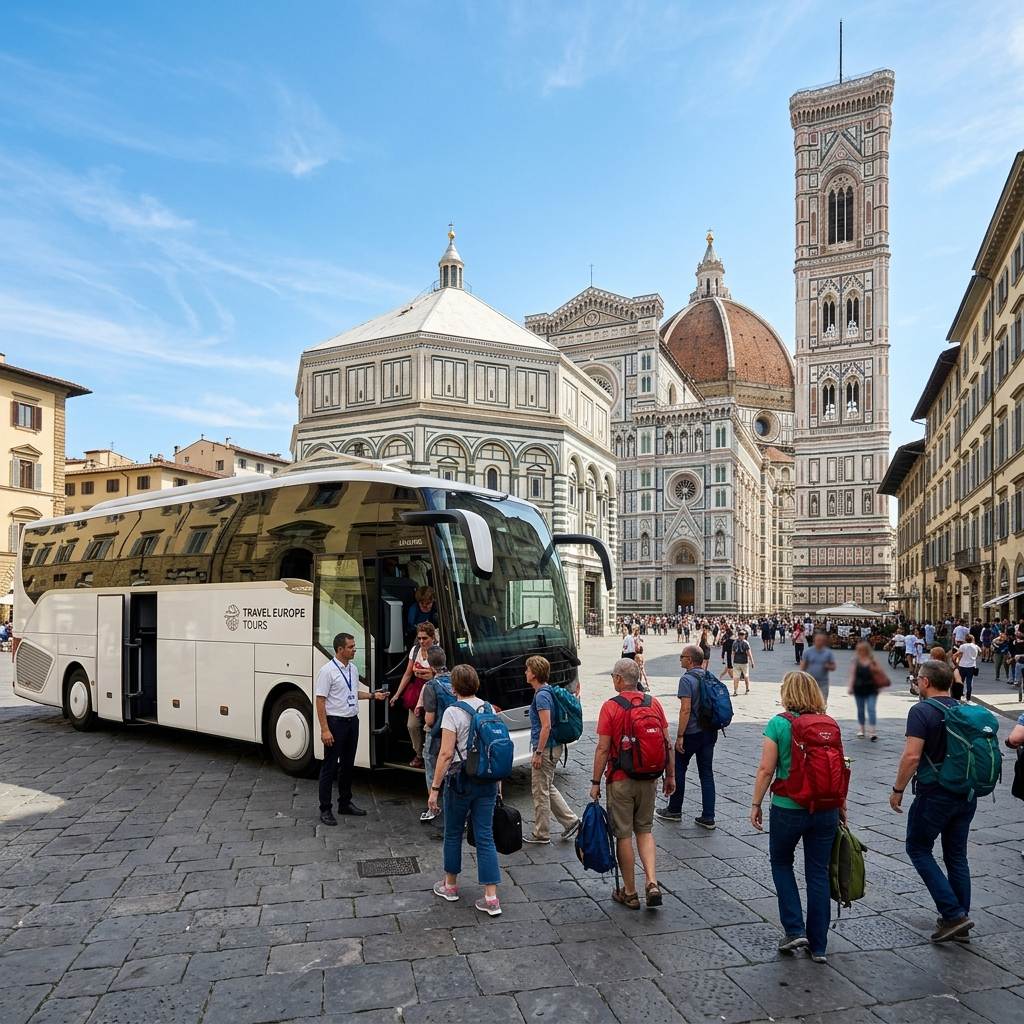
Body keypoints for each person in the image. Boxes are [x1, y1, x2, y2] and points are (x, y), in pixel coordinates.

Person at [750, 671, 844, 963]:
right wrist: (842, 807)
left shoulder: (779, 723)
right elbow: (840, 770)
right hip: (825, 807)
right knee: (818, 872)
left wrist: (755, 803)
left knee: (781, 863)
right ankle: (819, 946)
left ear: (786, 693)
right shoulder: (829, 725)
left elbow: (766, 769)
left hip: (788, 807)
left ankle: (794, 929)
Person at [889, 660, 975, 943]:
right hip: (966, 792)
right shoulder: (964, 709)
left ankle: (953, 914)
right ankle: (960, 916)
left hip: (935, 793)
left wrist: (898, 788)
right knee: (956, 856)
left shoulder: (921, 710)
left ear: (925, 682)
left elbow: (912, 756)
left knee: (918, 848)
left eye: (917, 679)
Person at [590, 658, 675, 909]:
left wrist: (595, 781)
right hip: (649, 778)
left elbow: (603, 748)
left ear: (618, 679)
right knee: (645, 830)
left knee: (623, 834)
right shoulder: (654, 703)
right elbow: (666, 742)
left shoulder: (611, 707)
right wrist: (670, 775)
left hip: (620, 779)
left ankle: (630, 892)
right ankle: (652, 882)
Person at [427, 664, 502, 916]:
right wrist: (499, 784)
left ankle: (450, 885)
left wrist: (434, 788)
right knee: (485, 836)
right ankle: (491, 898)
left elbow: (446, 753)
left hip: (460, 780)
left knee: (453, 833)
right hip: (487, 780)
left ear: (454, 687)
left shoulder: (452, 712)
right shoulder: (488, 708)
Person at [316, 633, 386, 825]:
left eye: (354, 646)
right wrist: (325, 729)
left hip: (351, 721)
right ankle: (325, 808)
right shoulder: (327, 671)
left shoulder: (353, 669)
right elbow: (320, 700)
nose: (355, 649)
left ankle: (345, 802)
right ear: (340, 650)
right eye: (351, 647)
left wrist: (373, 696)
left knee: (348, 764)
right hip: (335, 723)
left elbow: (352, 693)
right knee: (329, 766)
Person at [655, 645, 717, 829]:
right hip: (709, 732)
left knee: (679, 767)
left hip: (691, 732)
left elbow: (685, 709)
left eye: (682, 657)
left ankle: (674, 809)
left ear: (689, 660)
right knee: (706, 773)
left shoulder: (687, 679)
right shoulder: (709, 675)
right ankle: (708, 816)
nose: (680, 659)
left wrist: (680, 735)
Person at [522, 656, 581, 845]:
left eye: (528, 669)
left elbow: (546, 726)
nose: (525, 672)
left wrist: (538, 753)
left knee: (540, 791)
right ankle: (571, 821)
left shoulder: (541, 695)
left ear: (535, 674)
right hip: (552, 747)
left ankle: (542, 833)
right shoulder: (546, 691)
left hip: (546, 749)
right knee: (546, 786)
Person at [391, 622, 437, 768]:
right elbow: (407, 674)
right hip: (417, 691)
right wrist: (397, 694)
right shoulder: (415, 650)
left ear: (432, 637)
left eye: (425, 638)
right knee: (412, 725)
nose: (422, 641)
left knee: (431, 724)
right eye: (420, 638)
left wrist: (431, 674)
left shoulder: (438, 651)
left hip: (433, 690)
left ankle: (433, 755)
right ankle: (419, 754)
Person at [419, 646, 453, 822]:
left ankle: (433, 807)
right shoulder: (457, 679)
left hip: (438, 735)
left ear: (431, 665)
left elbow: (430, 719)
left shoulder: (430, 686)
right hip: (456, 733)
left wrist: (424, 719)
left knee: (432, 768)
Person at [848, 640, 886, 741]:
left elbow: (879, 672)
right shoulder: (855, 661)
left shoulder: (873, 660)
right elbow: (853, 675)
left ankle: (872, 731)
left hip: (871, 688)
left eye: (864, 650)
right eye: (860, 650)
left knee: (871, 709)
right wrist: (851, 687)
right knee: (860, 709)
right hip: (859, 688)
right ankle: (861, 729)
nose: (862, 652)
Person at [800, 632, 836, 705]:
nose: (820, 642)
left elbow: (833, 666)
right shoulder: (808, 652)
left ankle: (822, 715)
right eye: (818, 640)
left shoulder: (828, 653)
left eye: (822, 640)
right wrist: (802, 678)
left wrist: (827, 666)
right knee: (809, 702)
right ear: (814, 641)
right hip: (810, 682)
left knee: (823, 702)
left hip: (823, 683)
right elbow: (803, 666)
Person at [952, 634, 980, 703]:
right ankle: (968, 698)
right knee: (969, 682)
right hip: (971, 666)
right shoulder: (975, 646)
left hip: (963, 665)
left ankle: (959, 696)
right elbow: (980, 652)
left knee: (961, 681)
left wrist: (955, 662)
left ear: (965, 639)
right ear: (972, 639)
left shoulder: (963, 646)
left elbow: (956, 654)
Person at [732, 629, 753, 697]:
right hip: (744, 661)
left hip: (736, 661)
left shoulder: (734, 643)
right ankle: (747, 689)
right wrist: (752, 661)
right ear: (743, 636)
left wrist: (733, 661)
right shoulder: (746, 643)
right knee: (746, 675)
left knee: (736, 677)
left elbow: (733, 653)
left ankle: (735, 691)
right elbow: (749, 653)